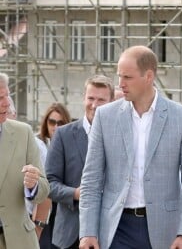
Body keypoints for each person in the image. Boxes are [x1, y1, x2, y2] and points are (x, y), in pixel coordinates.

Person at [79, 45, 182, 249]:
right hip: (115, 229)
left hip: (164, 230)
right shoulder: (105, 116)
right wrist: (87, 232)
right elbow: (91, 179)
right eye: (119, 76)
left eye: (127, 77)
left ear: (149, 76)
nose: (120, 84)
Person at [46, 75, 114, 249]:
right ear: (83, 97)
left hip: (109, 234)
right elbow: (48, 184)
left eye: (101, 100)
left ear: (112, 101)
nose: (95, 104)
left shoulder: (120, 136)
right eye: (91, 98)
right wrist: (75, 193)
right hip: (70, 235)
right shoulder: (63, 135)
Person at [0, 72, 50, 249]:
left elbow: (44, 190)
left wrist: (33, 185)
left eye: (7, 95)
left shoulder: (23, 133)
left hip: (19, 242)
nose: (7, 103)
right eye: (0, 97)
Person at [36, 103, 72, 249]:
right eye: (52, 122)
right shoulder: (37, 144)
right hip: (41, 206)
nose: (56, 126)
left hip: (62, 204)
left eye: (61, 122)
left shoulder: (70, 144)